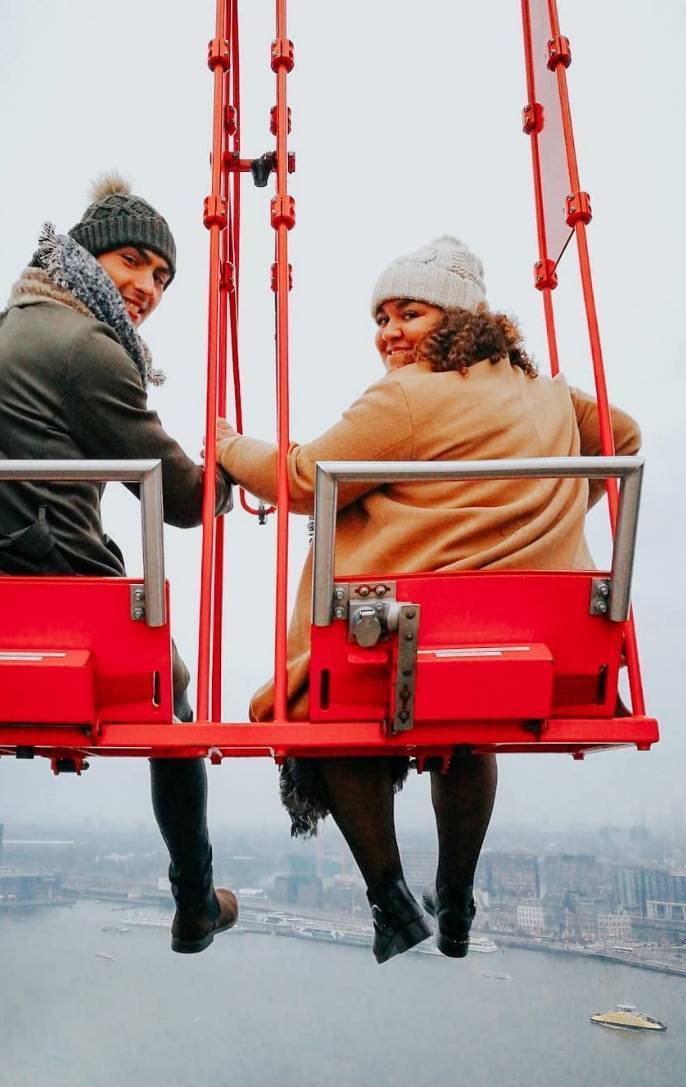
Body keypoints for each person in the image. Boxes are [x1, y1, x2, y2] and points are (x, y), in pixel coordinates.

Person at [216, 235, 641, 963]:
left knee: (330, 706)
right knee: (466, 723)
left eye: (409, 313)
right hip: (534, 650)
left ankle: (390, 899)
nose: (389, 333)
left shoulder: (409, 398)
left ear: (457, 319)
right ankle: (457, 895)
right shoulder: (549, 395)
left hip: (401, 641)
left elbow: (299, 476)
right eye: (381, 317)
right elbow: (624, 438)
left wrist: (223, 443)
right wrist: (535, 510)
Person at [0, 174, 238, 992]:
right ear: (85, 255)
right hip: (69, 625)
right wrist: (234, 467)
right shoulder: (88, 350)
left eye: (163, 278)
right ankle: (192, 900)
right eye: (134, 261)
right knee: (170, 694)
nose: (147, 287)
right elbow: (178, 500)